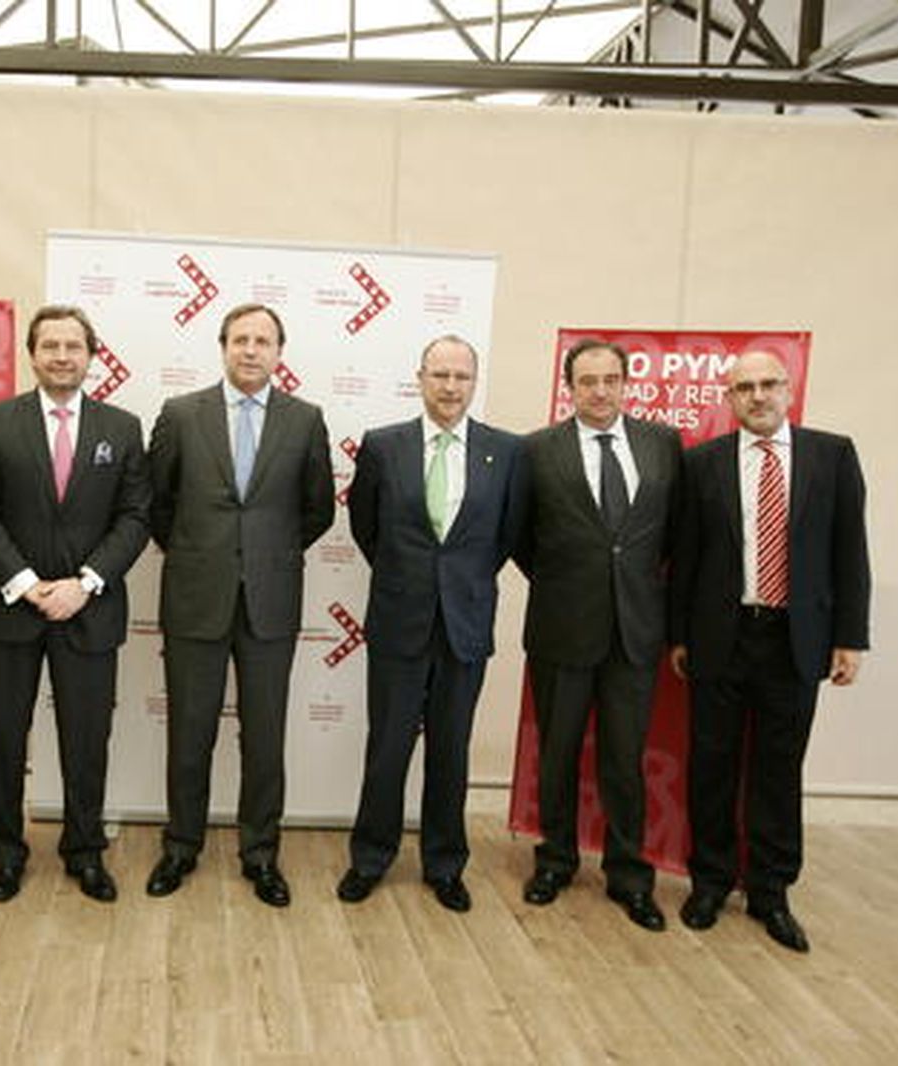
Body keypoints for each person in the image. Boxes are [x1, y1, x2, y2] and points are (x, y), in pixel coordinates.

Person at [669, 350, 869, 953]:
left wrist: (850, 637)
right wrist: (678, 635)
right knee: (713, 764)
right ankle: (709, 882)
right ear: (728, 398)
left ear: (789, 389)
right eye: (744, 387)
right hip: (719, 637)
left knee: (779, 769)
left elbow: (850, 552)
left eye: (768, 385)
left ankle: (771, 891)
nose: (757, 396)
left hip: (795, 640)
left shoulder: (832, 456)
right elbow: (685, 559)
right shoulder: (702, 463)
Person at [144, 303, 335, 907]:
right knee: (190, 732)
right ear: (222, 346)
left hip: (270, 604)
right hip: (196, 598)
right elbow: (157, 505)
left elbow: (317, 508)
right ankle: (180, 847)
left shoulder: (306, 420)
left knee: (265, 736)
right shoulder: (181, 415)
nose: (251, 350)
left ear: (280, 352)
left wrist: (264, 555)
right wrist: (207, 554)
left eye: (264, 341)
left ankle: (261, 854)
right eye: (241, 340)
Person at [0, 305, 151, 904]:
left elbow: (136, 515)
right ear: (32, 354)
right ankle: (5, 853)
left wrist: (85, 581)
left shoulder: (122, 428)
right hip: (13, 609)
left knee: (86, 737)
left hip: (89, 610)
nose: (62, 356)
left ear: (92, 355)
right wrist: (26, 582)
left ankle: (85, 850)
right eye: (50, 346)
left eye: (73, 346)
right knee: (5, 737)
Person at [336, 335, 528, 912]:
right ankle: (371, 858)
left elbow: (505, 537)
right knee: (388, 747)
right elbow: (367, 530)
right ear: (420, 378)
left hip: (464, 625)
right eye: (439, 375)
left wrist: (455, 585)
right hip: (399, 619)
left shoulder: (507, 452)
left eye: (461, 378)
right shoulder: (383, 446)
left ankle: (445, 864)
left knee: (451, 750)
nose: (450, 387)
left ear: (474, 383)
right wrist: (412, 579)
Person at [515, 339, 682, 931]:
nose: (600, 391)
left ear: (626, 383)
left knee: (624, 759)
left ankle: (630, 875)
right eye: (588, 381)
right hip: (563, 627)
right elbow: (520, 537)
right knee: (556, 754)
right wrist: (572, 584)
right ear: (569, 386)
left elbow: (671, 534)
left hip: (635, 631)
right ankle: (555, 861)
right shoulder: (536, 451)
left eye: (611, 379)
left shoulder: (662, 444)